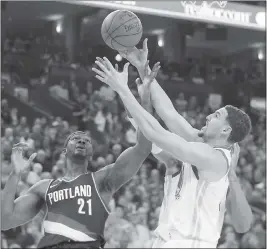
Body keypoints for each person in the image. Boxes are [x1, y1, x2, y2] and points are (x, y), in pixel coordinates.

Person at [92, 50, 252, 248]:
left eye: (217, 116)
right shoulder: (199, 143)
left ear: (226, 130)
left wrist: (123, 90)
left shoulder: (215, 157)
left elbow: (155, 132)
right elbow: (169, 113)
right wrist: (143, 69)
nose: (209, 116)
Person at [1, 80, 153, 249]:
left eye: (87, 140)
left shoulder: (101, 180)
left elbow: (143, 148)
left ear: (91, 154)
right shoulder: (44, 188)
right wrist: (15, 174)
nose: (81, 140)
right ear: (64, 151)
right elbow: (5, 221)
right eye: (75, 138)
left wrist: (145, 101)